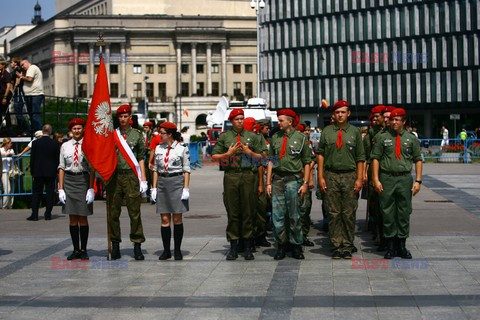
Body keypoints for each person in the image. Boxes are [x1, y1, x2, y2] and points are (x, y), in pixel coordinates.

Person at [211, 108, 266, 260]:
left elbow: (262, 158)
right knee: (233, 211)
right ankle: (234, 245)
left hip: (248, 175)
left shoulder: (252, 137)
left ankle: (248, 245)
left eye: (242, 118)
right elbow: (214, 156)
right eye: (237, 119)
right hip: (231, 176)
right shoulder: (225, 137)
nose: (240, 121)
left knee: (248, 210)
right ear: (231, 121)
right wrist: (227, 155)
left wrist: (249, 153)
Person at [316, 100, 365, 259]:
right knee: (334, 212)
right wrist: (321, 176)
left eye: (343, 112)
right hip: (331, 175)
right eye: (337, 112)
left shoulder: (355, 132)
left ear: (348, 113)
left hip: (350, 175)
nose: (340, 115)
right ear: (333, 114)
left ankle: (348, 245)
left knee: (349, 212)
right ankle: (337, 245)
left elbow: (360, 157)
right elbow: (321, 154)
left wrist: (359, 178)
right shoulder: (327, 132)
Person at [371, 108, 422, 259]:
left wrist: (418, 180)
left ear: (403, 122)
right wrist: (375, 179)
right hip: (387, 178)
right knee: (387, 212)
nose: (394, 122)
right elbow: (375, 158)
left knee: (404, 212)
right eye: (392, 119)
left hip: (404, 179)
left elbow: (418, 159)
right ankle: (390, 246)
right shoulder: (382, 137)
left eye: (397, 120)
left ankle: (402, 246)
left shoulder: (411, 138)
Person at [265, 109, 311, 260]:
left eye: (281, 120)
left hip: (293, 180)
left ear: (290, 121)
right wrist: (268, 182)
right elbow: (271, 160)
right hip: (278, 180)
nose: (278, 123)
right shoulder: (275, 137)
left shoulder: (301, 138)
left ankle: (296, 245)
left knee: (294, 215)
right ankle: (281, 245)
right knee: (278, 216)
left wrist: (305, 183)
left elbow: (306, 162)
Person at [107, 104, 148, 260]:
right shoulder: (112, 135)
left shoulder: (137, 135)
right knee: (113, 212)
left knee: (134, 212)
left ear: (130, 118)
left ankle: (137, 245)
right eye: (120, 117)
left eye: (126, 116)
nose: (123, 119)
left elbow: (140, 158)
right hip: (115, 177)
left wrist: (143, 179)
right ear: (118, 118)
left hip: (131, 176)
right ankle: (115, 244)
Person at [151, 122, 191, 260]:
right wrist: (154, 187)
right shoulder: (158, 149)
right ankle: (166, 250)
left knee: (177, 218)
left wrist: (186, 188)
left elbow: (186, 170)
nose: (159, 135)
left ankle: (177, 250)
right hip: (163, 183)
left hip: (177, 183)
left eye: (162, 133)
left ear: (169, 134)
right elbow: (155, 169)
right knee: (165, 218)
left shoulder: (182, 149)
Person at [57, 118, 95, 260]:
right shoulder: (65, 146)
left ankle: (84, 249)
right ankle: (76, 249)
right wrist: (61, 188)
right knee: (72, 217)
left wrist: (91, 188)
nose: (77, 131)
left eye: (79, 128)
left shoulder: (88, 145)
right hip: (69, 180)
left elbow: (91, 168)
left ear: (83, 129)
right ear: (71, 131)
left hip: (83, 180)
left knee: (83, 216)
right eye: (74, 129)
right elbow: (61, 167)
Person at [27, 124, 60, 221]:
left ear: (42, 131)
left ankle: (35, 214)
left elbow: (32, 159)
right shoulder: (54, 143)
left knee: (36, 193)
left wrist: (32, 171)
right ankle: (48, 214)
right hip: (50, 171)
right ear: (50, 132)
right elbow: (57, 158)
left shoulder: (36, 143)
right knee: (50, 193)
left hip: (38, 171)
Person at [17, 60, 44, 132]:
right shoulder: (29, 69)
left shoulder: (32, 68)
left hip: (35, 94)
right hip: (30, 94)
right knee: (31, 114)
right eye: (21, 66)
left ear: (27, 62)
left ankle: (37, 129)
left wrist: (21, 76)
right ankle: (34, 129)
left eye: (23, 65)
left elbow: (29, 79)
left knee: (34, 113)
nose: (22, 67)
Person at [9, 57, 26, 135]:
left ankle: (23, 128)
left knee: (18, 110)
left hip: (18, 91)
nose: (11, 64)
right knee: (17, 111)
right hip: (17, 91)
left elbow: (17, 80)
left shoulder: (17, 70)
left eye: (12, 62)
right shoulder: (15, 70)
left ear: (15, 63)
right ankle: (21, 128)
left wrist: (15, 87)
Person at [0, 138, 15, 209]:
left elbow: (13, 158)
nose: (11, 144)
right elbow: (3, 155)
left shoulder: (11, 150)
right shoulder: (1, 150)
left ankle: (10, 205)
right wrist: (6, 154)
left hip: (10, 171)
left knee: (12, 189)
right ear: (6, 143)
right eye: (10, 143)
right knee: (7, 189)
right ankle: (4, 206)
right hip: (3, 171)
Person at [0, 60, 12, 130]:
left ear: (3, 65)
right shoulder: (0, 74)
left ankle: (8, 128)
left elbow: (8, 86)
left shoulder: (6, 74)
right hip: (0, 95)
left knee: (6, 112)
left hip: (4, 95)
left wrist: (5, 97)